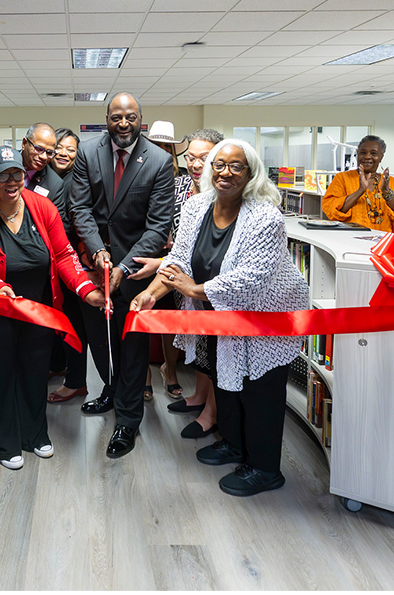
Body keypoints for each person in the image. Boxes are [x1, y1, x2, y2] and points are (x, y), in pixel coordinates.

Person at [131, 138, 310, 496]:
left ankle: (264, 469)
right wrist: (150, 294)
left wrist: (195, 290)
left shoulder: (265, 216)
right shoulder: (198, 206)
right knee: (224, 380)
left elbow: (253, 276)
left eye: (236, 166)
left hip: (264, 319)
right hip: (217, 317)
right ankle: (234, 444)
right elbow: (179, 259)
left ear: (251, 173)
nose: (225, 172)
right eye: (219, 164)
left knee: (259, 393)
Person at [0, 145, 105, 470]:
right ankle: (4, 441)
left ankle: (35, 433)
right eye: (3, 175)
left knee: (35, 374)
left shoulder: (43, 207)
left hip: (39, 310)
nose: (12, 181)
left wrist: (86, 291)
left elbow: (64, 255)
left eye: (17, 174)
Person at [70, 92, 174, 458]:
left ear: (140, 120)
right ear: (107, 119)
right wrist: (98, 252)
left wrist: (123, 267)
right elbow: (79, 206)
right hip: (94, 266)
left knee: (131, 349)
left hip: (136, 271)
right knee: (100, 340)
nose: (123, 123)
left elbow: (158, 225)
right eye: (116, 117)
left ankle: (128, 421)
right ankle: (110, 392)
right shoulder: (87, 152)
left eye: (130, 117)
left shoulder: (159, 161)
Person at [131, 128, 225, 439]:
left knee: (217, 347)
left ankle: (212, 411)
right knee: (200, 341)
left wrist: (166, 265)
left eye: (205, 157)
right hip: (182, 276)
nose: (197, 164)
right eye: (191, 158)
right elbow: (180, 244)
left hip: (214, 285)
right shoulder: (182, 186)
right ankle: (199, 396)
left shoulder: (226, 193)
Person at [142, 120, 189, 402]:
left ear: (172, 151)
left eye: (166, 147)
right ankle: (144, 378)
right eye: (155, 145)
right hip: (146, 256)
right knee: (145, 315)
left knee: (171, 320)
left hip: (177, 260)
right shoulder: (140, 176)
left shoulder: (185, 181)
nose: (161, 150)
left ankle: (169, 371)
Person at [45, 128, 91, 404]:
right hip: (46, 264)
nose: (63, 153)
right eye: (59, 147)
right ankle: (58, 365)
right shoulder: (42, 177)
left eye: (70, 149)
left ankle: (76, 382)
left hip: (71, 262)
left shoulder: (78, 180)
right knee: (51, 319)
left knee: (73, 323)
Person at [322, 135, 394, 233]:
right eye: (363, 152)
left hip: (385, 242)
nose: (367, 156)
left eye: (373, 153)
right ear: (357, 155)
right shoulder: (342, 178)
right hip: (350, 239)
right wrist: (360, 190)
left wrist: (387, 193)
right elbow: (332, 211)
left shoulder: (392, 182)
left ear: (381, 157)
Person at [0, 123, 64, 208]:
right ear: (24, 143)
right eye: (38, 149)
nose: (44, 157)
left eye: (49, 152)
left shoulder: (54, 184)